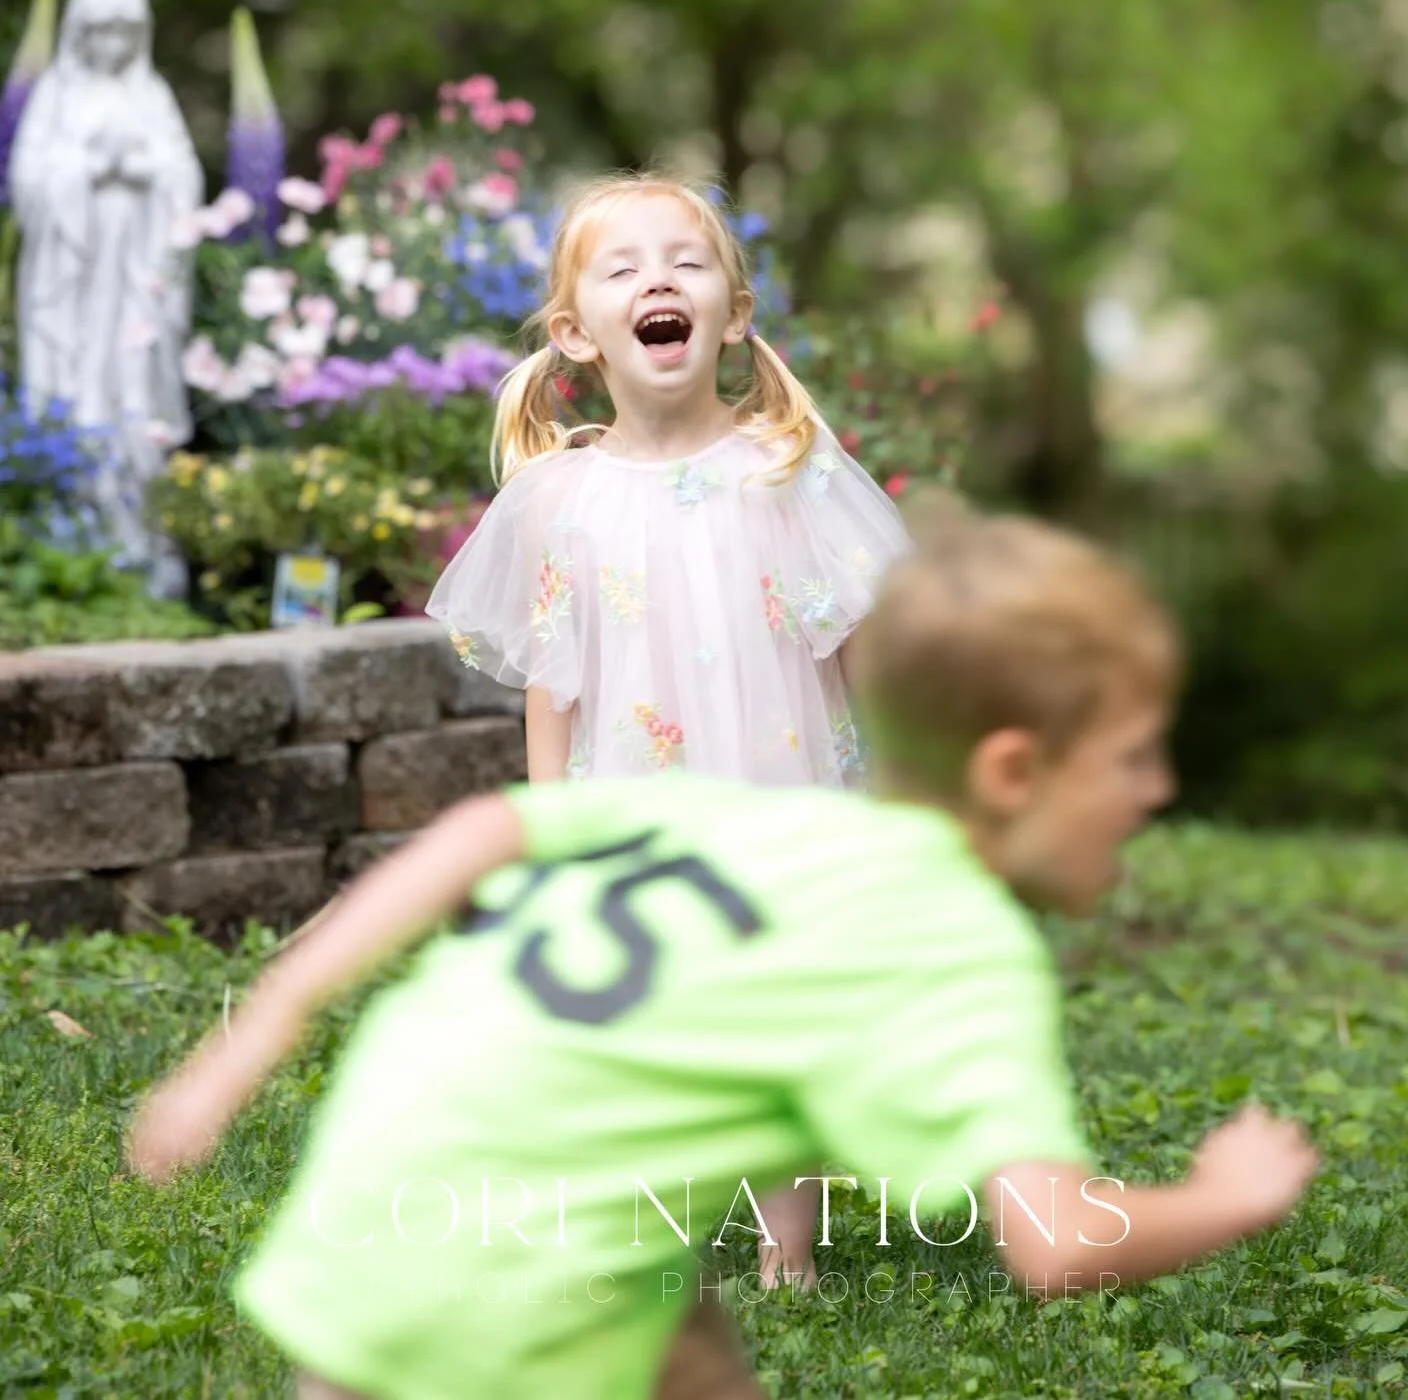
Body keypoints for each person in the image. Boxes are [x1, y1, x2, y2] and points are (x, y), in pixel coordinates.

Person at [130, 502, 1318, 1400]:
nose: (1158, 790)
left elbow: (486, 825)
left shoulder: (747, 813)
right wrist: (1225, 1196)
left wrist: (258, 1029)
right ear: (1013, 769)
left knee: (674, 1311)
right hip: (507, 1302)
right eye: (1134, 758)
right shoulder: (946, 940)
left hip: (379, 1201)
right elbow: (1056, 1241)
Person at [427, 170, 911, 1283]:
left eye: (688, 262)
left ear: (733, 314)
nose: (660, 279)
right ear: (575, 332)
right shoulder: (558, 498)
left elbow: (854, 646)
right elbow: (552, 679)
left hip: (780, 791)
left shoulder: (784, 468)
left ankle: (790, 1253)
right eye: (626, 266)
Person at [9, 0, 202, 587]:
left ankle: (139, 538)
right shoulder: (55, 96)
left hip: (135, 286)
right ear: (78, 33)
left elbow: (183, 176)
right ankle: (70, 532)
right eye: (102, 32)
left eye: (127, 32)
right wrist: (88, 168)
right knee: (76, 392)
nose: (114, 47)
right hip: (73, 286)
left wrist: (146, 172)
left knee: (131, 392)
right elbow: (29, 180)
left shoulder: (152, 96)